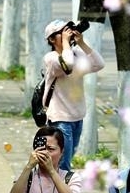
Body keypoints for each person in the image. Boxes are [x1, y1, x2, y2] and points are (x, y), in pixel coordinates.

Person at [42, 18, 105, 170]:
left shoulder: (75, 54)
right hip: (60, 118)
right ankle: (59, 185)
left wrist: (81, 43)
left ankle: (59, 183)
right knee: (63, 164)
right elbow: (68, 64)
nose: (68, 34)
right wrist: (66, 43)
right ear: (52, 39)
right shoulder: (51, 59)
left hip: (77, 116)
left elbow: (99, 64)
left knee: (66, 159)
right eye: (62, 32)